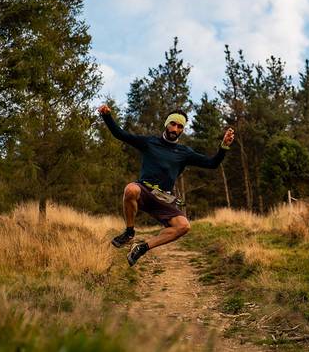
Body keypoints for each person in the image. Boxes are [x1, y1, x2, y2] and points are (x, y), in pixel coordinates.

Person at [97, 104, 235, 266]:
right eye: (173, 124)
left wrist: (224, 146)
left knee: (183, 226)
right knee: (130, 189)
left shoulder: (185, 152)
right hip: (144, 190)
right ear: (167, 124)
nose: (175, 129)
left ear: (182, 130)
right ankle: (129, 232)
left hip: (163, 197)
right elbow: (120, 134)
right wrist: (106, 116)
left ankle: (141, 248)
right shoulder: (149, 142)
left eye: (179, 126)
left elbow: (212, 164)